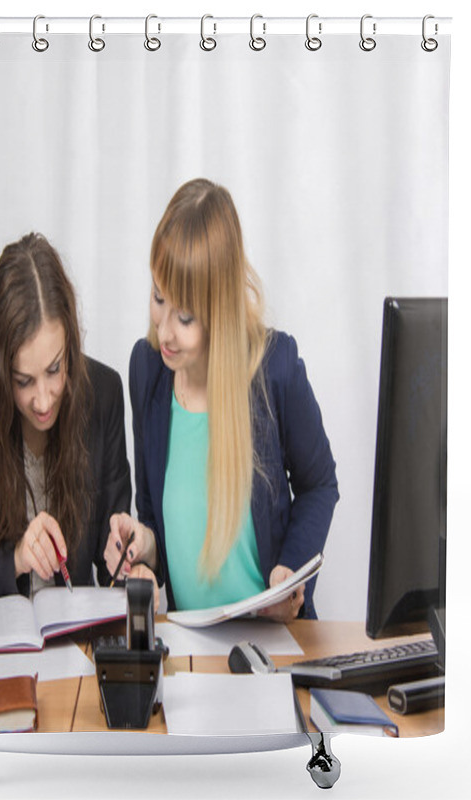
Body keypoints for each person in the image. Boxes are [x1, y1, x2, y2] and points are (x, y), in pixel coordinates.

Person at [103, 179, 338, 622]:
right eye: (158, 298)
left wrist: (292, 572)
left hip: (272, 644)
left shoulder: (275, 369)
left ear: (221, 309)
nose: (165, 330)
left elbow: (320, 484)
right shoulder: (148, 370)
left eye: (185, 316)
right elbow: (154, 513)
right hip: (191, 646)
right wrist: (141, 543)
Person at [0, 233, 131, 604]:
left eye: (55, 370)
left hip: (75, 651)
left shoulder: (103, 394)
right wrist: (17, 559)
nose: (42, 401)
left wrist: (131, 567)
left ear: (70, 342)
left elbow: (112, 569)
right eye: (23, 381)